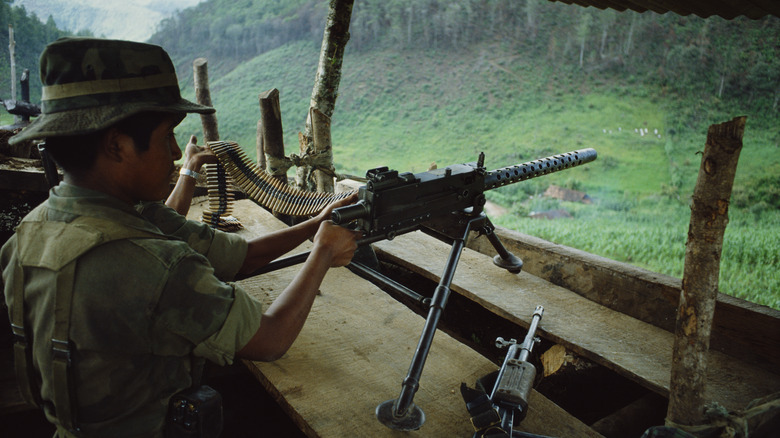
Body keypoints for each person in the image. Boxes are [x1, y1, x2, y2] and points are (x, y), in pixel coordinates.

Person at [0, 37, 361, 437]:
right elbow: (272, 339)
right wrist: (324, 252)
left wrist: (316, 225)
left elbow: (236, 256)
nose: (177, 152)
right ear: (117, 145)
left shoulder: (25, 235)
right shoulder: (154, 266)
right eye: (166, 137)